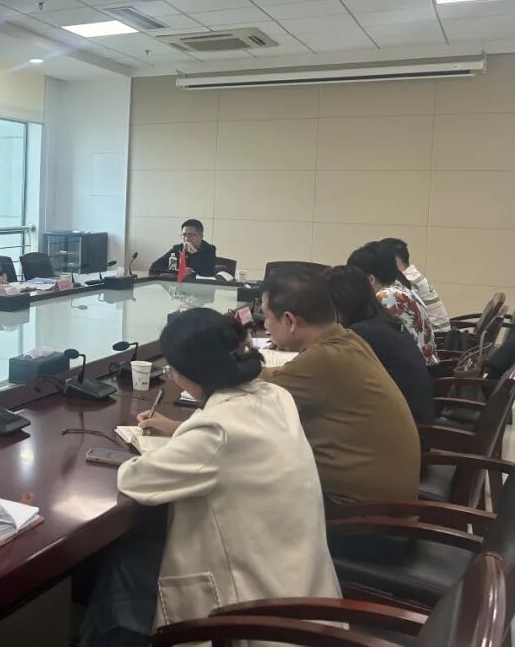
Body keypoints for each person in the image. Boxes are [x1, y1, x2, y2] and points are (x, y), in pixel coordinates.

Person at [78, 309, 339, 647]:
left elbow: (136, 481)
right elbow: (226, 449)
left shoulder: (217, 430)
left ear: (191, 374)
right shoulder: (275, 396)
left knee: (123, 565)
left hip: (254, 616)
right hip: (305, 593)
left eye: (173, 370)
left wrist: (169, 446)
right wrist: (182, 432)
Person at [261, 267, 421, 505]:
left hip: (359, 515)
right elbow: (284, 376)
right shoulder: (348, 340)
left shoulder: (322, 359)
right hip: (385, 500)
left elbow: (255, 404)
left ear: (289, 321)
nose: (265, 325)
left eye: (266, 317)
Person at [324, 266, 435, 425]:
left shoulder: (361, 333)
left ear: (339, 303)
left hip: (404, 427)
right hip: (416, 419)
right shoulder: (384, 322)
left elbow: (332, 379)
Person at [348, 242, 438, 364]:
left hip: (412, 369)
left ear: (370, 279)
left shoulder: (385, 296)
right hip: (424, 367)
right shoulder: (403, 288)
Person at [380, 237, 451, 334]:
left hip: (437, 336)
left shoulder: (408, 280)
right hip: (439, 332)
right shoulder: (412, 274)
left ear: (396, 259)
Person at [149, 219, 216, 277]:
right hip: (177, 285)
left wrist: (194, 254)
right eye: (184, 235)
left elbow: (208, 273)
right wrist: (176, 271)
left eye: (191, 234)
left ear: (201, 236)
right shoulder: (178, 248)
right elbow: (155, 267)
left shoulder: (209, 250)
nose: (186, 238)